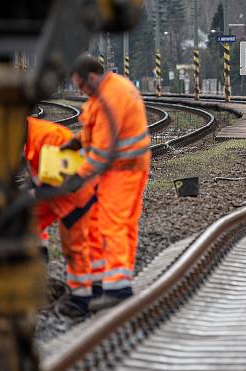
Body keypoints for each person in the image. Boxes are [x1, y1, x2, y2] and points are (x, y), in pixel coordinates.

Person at [65, 54, 150, 312]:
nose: (81, 92)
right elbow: (102, 131)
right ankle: (114, 279)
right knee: (123, 224)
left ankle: (117, 288)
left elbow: (102, 152)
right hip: (131, 168)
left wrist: (78, 177)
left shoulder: (109, 98)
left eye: (81, 87)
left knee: (112, 225)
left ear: (91, 78)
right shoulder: (114, 87)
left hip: (121, 170)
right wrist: (80, 140)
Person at [24, 116, 97, 316]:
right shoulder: (27, 138)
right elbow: (40, 176)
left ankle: (82, 300)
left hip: (74, 196)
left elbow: (62, 183)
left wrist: (31, 194)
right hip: (54, 192)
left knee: (75, 244)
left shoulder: (48, 137)